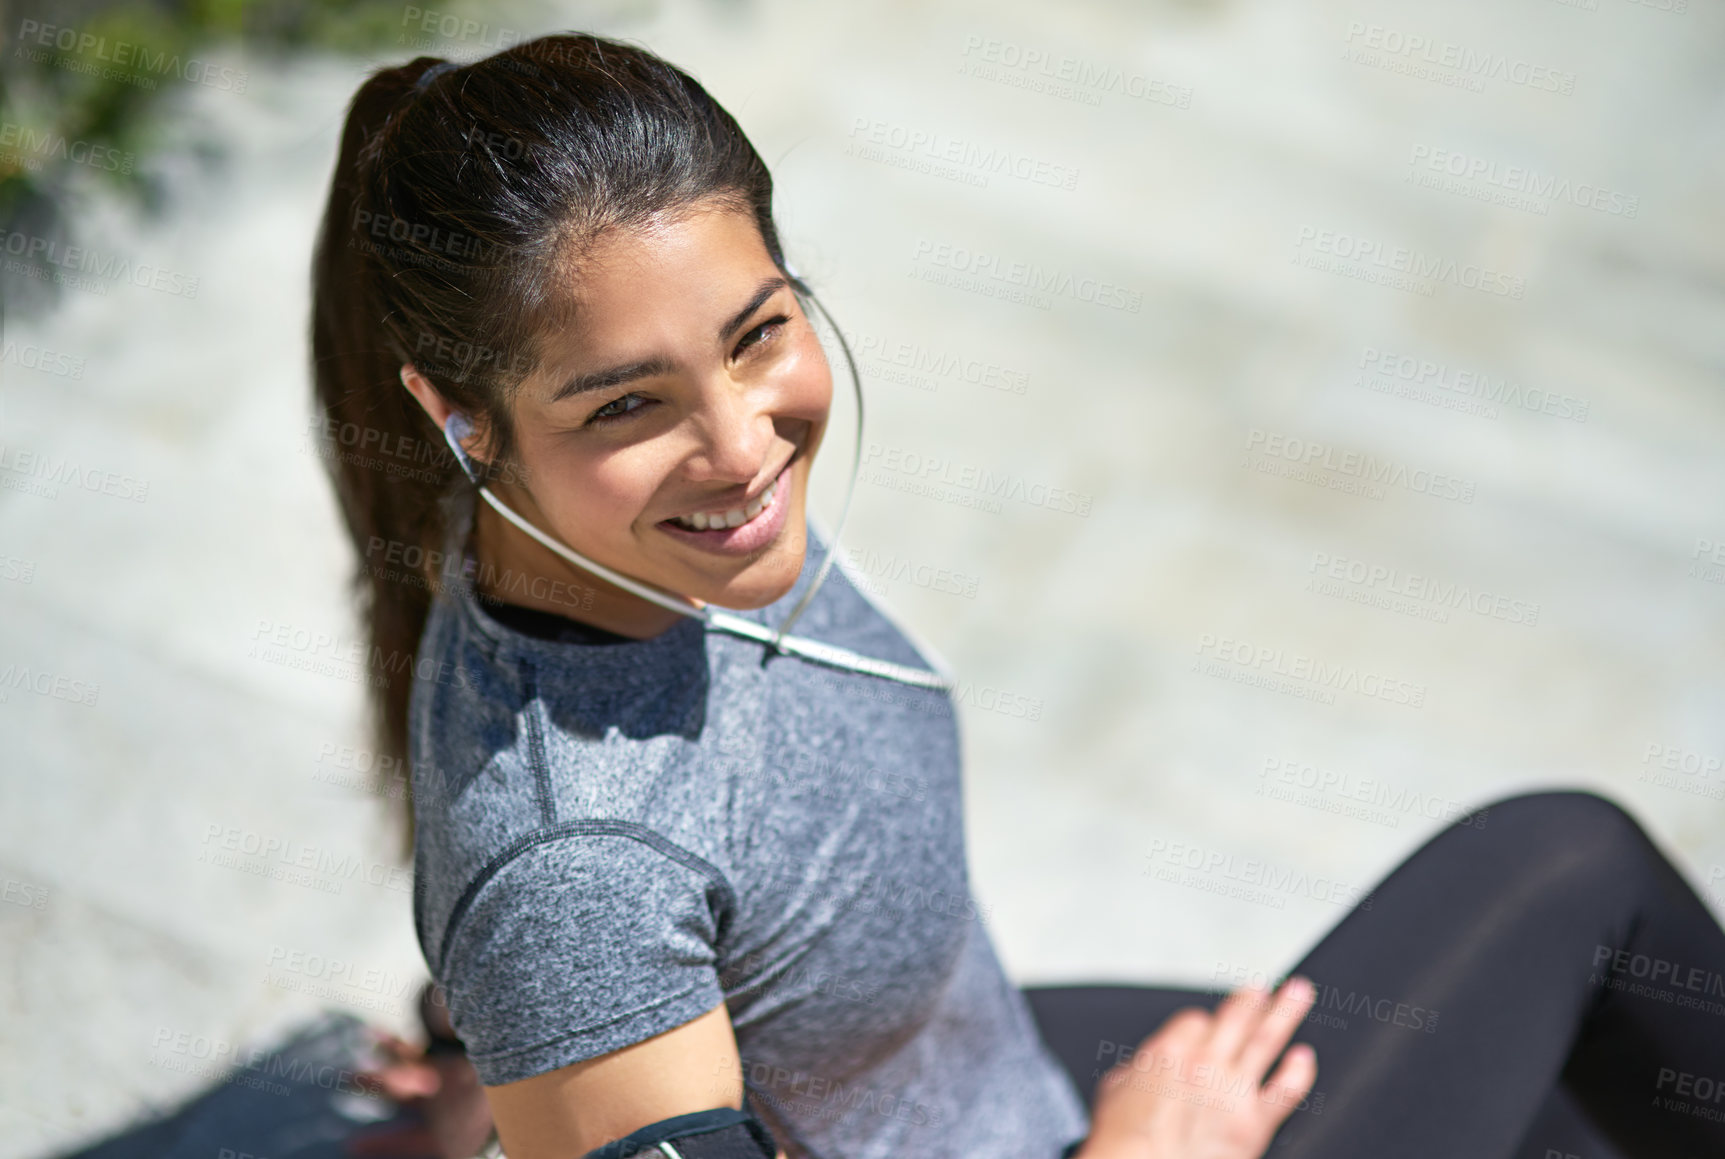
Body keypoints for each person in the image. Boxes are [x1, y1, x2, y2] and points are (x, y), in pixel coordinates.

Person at [311, 33, 1725, 1159]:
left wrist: (513, 1081)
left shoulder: (627, 549)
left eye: (757, 336)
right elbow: (563, 903)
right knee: (1570, 877)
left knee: (1563, 1107)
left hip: (972, 1079)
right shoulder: (569, 879)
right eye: (628, 403)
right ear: (456, 418)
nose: (743, 450)